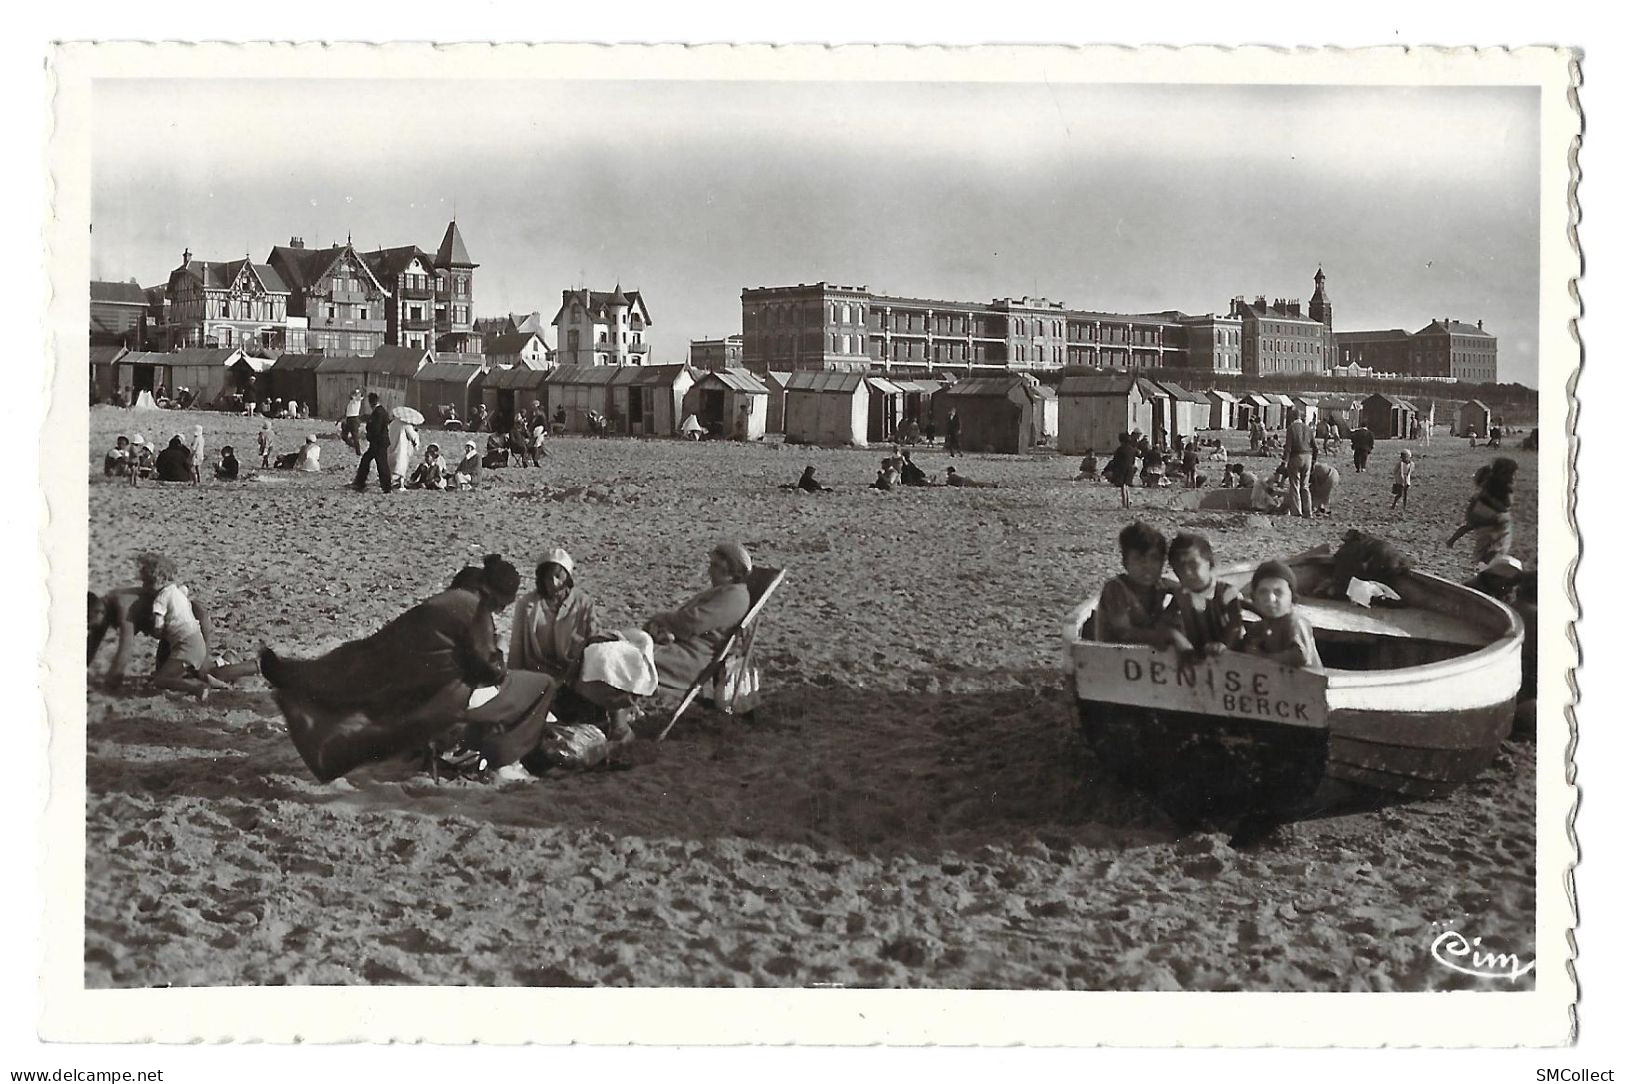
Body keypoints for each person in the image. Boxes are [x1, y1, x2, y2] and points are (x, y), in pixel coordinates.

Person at [261, 555, 548, 782]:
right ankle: (505, 756)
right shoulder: (475, 612)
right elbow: (487, 668)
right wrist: (498, 652)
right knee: (542, 686)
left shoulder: (447, 601)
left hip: (397, 671)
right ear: (497, 596)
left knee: (345, 669)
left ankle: (291, 674)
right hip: (435, 694)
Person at [89, 553, 261, 699]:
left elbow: (124, 650)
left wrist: (111, 685)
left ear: (99, 612)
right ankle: (227, 660)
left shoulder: (121, 606)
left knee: (203, 673)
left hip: (194, 625)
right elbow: (93, 642)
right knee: (169, 676)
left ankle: (256, 666)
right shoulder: (106, 607)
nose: (91, 629)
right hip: (173, 636)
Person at [642, 543, 755, 703]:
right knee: (621, 648)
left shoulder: (735, 597)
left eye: (715, 566)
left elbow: (692, 623)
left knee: (629, 660)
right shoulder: (724, 592)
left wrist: (662, 618)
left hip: (690, 660)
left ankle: (620, 723)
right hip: (679, 650)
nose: (709, 571)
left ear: (731, 571)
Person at [1160, 532, 1246, 659]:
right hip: (1198, 652)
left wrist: (1223, 644)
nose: (1188, 573)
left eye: (1194, 566)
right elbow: (1166, 620)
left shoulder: (1226, 592)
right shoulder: (1181, 595)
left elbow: (1235, 624)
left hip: (1230, 652)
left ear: (1210, 563)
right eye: (1180, 568)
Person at [1092, 521, 1173, 646]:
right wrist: (1169, 635)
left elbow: (1187, 590)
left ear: (1162, 563)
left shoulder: (1159, 586)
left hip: (1147, 657)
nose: (1146, 566)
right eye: (1138, 559)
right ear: (1125, 563)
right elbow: (1124, 633)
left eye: (1154, 558)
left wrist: (1175, 607)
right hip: (1114, 656)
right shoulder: (1116, 589)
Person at [1242, 560, 1323, 672]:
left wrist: (1263, 657)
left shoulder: (1294, 622)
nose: (1270, 599)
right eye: (1263, 592)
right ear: (1254, 598)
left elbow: (1300, 656)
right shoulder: (1259, 627)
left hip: (1307, 684)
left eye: (1278, 592)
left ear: (1292, 597)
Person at [1446, 457, 1517, 564]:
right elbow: (1506, 505)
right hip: (1491, 525)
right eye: (1511, 474)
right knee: (1489, 552)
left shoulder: (1494, 488)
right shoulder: (1495, 488)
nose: (1514, 477)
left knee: (1487, 550)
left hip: (1491, 525)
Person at [353, 393, 392, 492]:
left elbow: (376, 429)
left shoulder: (378, 412)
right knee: (369, 461)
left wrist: (368, 434)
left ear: (371, 402)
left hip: (378, 442)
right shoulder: (381, 411)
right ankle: (361, 482)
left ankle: (385, 486)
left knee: (381, 464)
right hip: (379, 442)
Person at [1282, 408, 1314, 518]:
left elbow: (1288, 447)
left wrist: (1284, 461)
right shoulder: (1308, 428)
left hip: (1296, 457)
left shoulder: (1291, 428)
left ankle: (1296, 511)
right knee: (1305, 486)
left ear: (1292, 417)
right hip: (1308, 457)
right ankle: (1308, 511)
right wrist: (1313, 461)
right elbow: (1315, 447)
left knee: (1295, 485)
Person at [1105, 431, 1139, 508]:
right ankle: (1128, 501)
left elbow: (1115, 461)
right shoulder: (1132, 449)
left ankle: (1125, 503)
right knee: (1126, 486)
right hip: (1130, 469)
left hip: (1121, 469)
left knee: (1123, 486)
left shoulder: (1119, 450)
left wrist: (1112, 470)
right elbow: (1133, 460)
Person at [388, 410, 420, 491]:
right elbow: (413, 436)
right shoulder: (406, 425)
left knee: (392, 466)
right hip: (402, 448)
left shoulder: (392, 424)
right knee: (401, 466)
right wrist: (415, 432)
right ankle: (401, 484)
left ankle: (391, 481)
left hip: (392, 447)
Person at [342, 388, 365, 453]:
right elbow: (347, 413)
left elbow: (360, 395)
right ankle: (353, 446)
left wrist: (359, 391)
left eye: (356, 394)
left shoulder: (358, 400)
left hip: (354, 419)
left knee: (355, 437)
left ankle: (358, 452)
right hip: (349, 419)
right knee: (344, 436)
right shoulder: (351, 402)